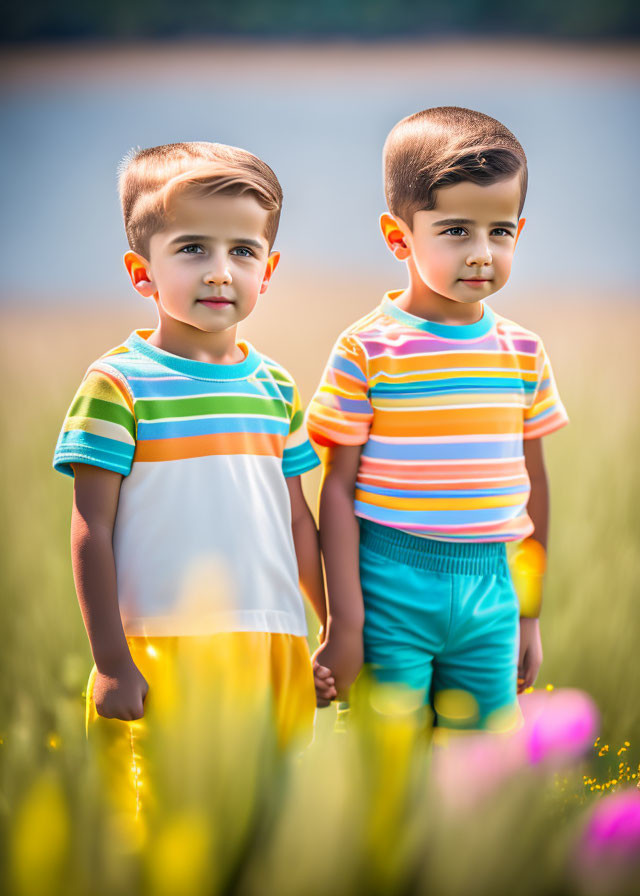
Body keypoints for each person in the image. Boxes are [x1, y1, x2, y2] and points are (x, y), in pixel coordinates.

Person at [53, 141, 335, 815]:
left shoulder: (275, 387)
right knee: (156, 831)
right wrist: (114, 662)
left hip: (271, 645)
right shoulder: (119, 384)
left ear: (268, 270)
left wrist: (326, 630)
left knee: (262, 824)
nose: (219, 271)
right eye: (192, 249)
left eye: (242, 251)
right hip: (159, 648)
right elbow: (93, 527)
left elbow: (298, 519)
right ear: (141, 272)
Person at [307, 108, 568, 730]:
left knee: (481, 773)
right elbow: (336, 489)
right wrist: (344, 624)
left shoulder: (523, 350)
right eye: (456, 231)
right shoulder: (366, 350)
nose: (482, 254)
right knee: (388, 765)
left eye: (499, 232)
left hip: (493, 590)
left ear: (519, 231)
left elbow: (533, 489)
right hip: (390, 582)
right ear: (399, 237)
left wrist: (529, 615)